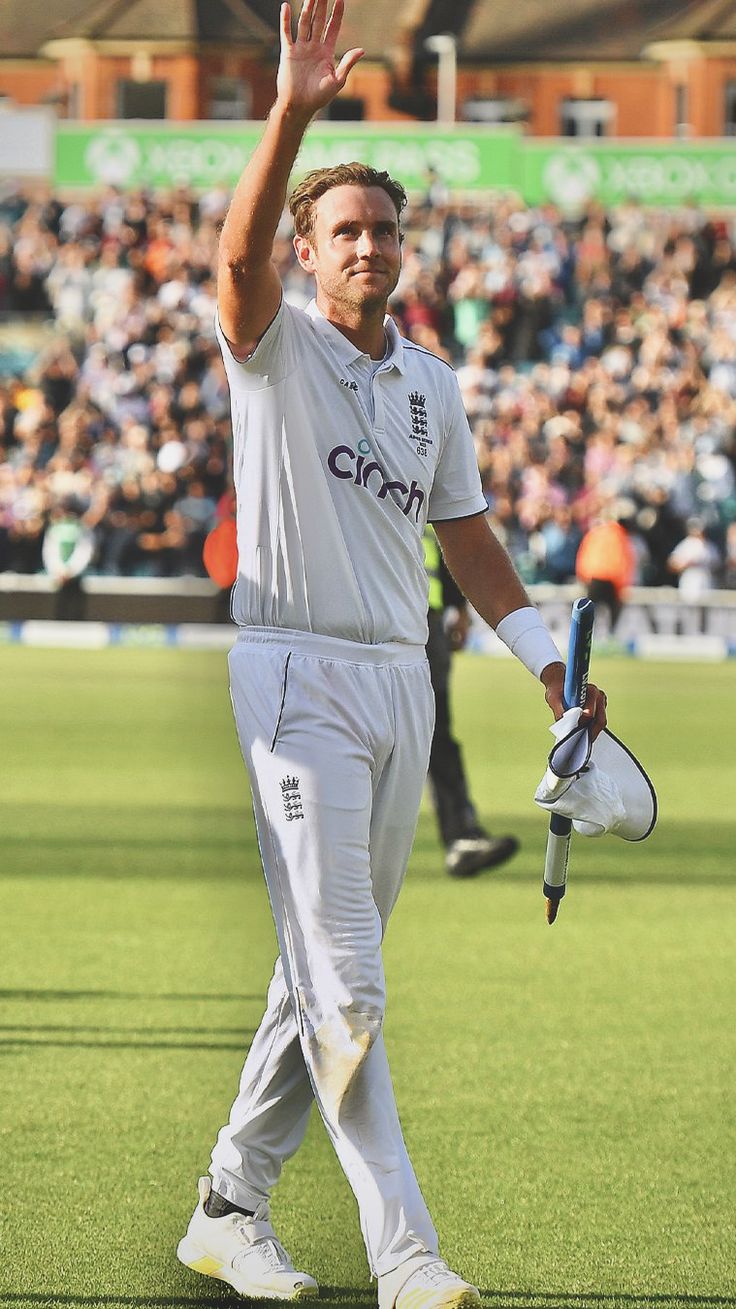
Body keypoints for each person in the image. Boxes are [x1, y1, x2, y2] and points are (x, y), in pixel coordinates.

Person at [176, 3, 607, 1307]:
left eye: (381, 229)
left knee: (315, 971)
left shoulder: (431, 385)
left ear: (405, 249)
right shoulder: (274, 347)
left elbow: (469, 539)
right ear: (313, 255)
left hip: (399, 685)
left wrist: (539, 658)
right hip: (293, 680)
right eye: (342, 231)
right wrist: (295, 108)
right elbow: (234, 248)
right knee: (349, 982)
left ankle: (227, 1205)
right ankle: (407, 1258)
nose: (365, 246)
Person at [424, 526, 519, 877]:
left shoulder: (421, 500)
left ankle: (461, 838)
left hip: (426, 624)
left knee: (437, 737)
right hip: (375, 626)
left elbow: (447, 550)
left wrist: (458, 606)